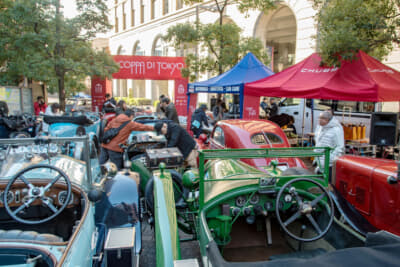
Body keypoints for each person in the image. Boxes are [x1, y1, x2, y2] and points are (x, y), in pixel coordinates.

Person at [314, 111, 345, 181]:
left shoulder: (336, 130)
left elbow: (340, 147)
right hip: (320, 163)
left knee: (329, 184)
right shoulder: (320, 128)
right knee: (320, 184)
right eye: (319, 118)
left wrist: (330, 159)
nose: (319, 119)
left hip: (329, 164)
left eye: (321, 118)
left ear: (327, 120)